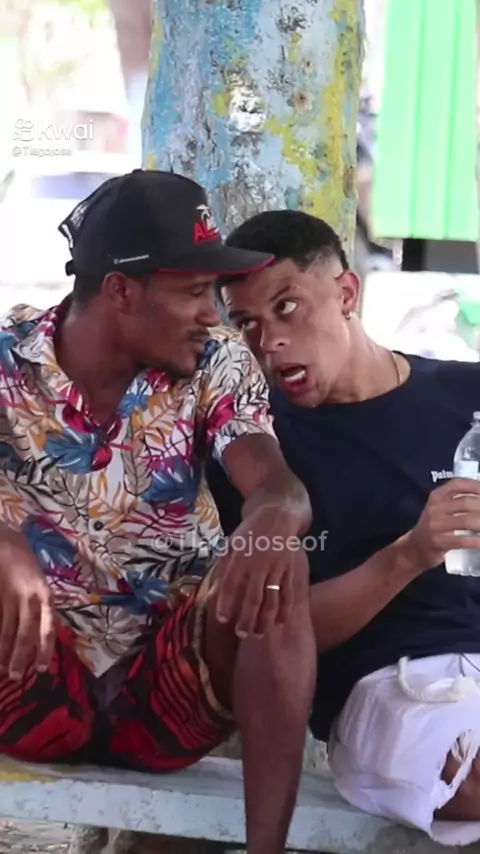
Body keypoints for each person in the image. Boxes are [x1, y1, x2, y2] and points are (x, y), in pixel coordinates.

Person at [0, 170, 318, 854]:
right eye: (195, 291)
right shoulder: (6, 361)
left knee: (278, 564)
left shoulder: (216, 362)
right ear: (121, 291)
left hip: (167, 692)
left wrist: (277, 514)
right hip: (31, 679)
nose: (212, 313)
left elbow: (272, 481)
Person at [208, 208, 480, 845]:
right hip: (389, 688)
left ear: (347, 294)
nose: (269, 341)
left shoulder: (464, 396)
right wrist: (411, 553)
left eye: (287, 307)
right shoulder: (257, 454)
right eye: (247, 323)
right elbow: (275, 633)